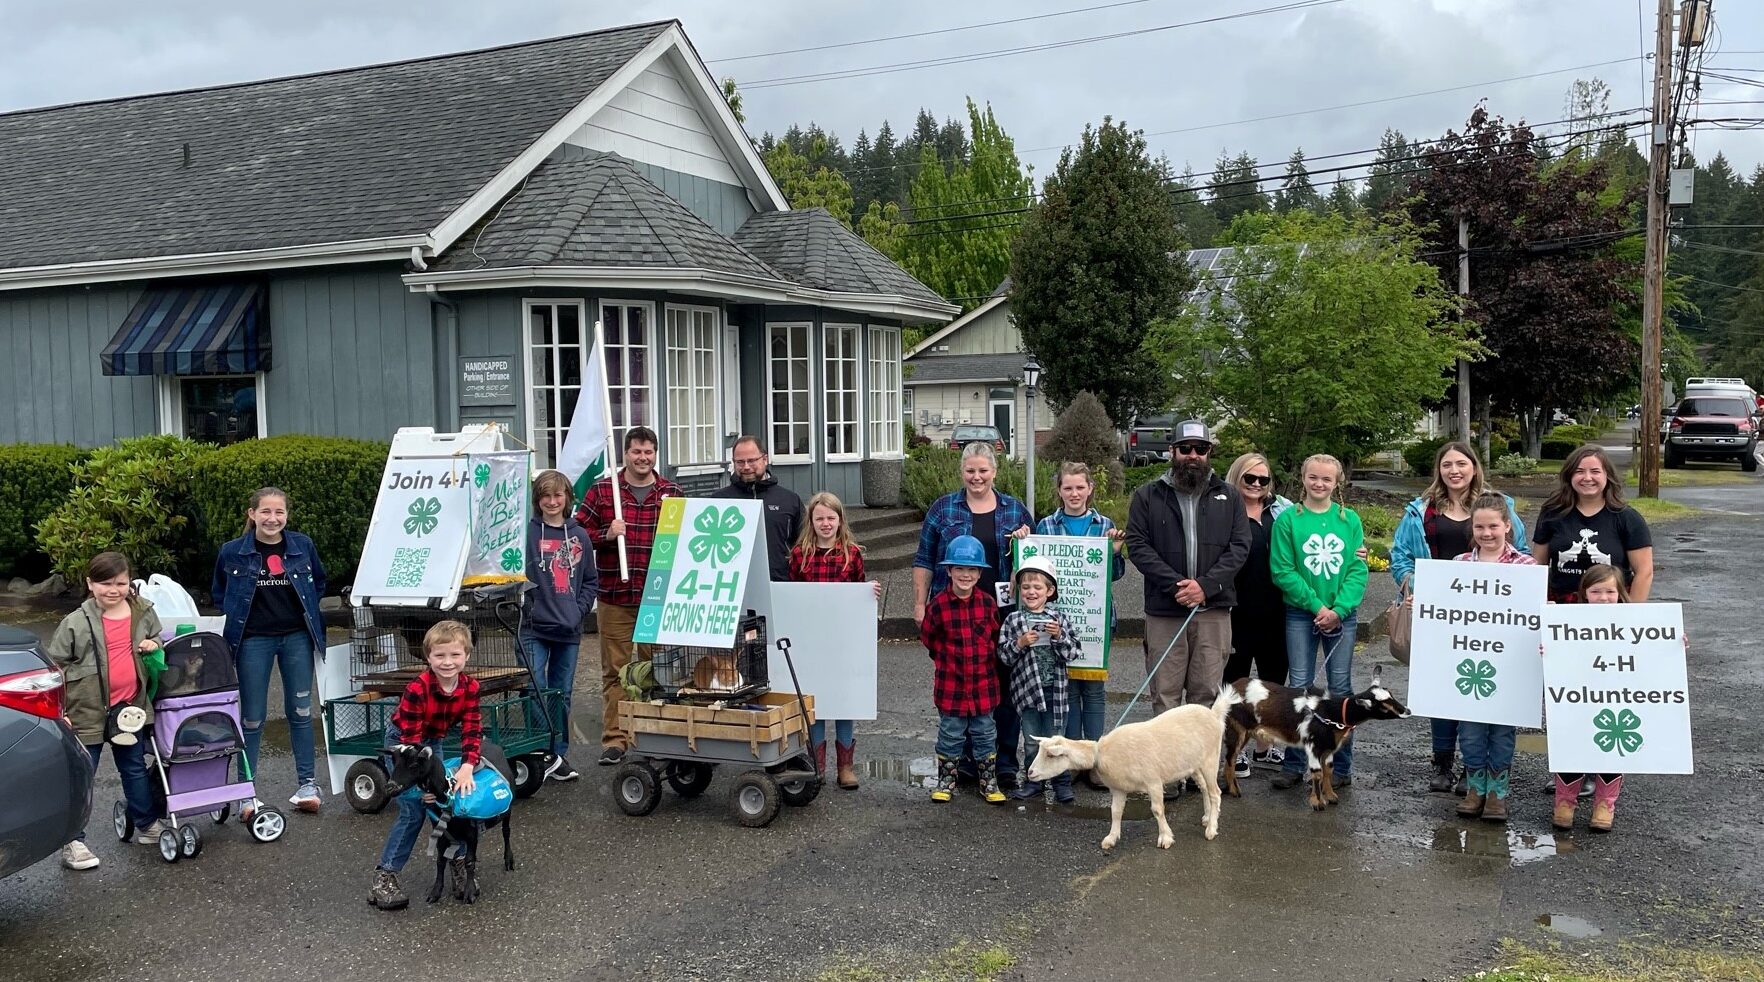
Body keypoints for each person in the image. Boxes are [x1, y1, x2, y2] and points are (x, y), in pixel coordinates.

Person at [1390, 442, 1529, 794]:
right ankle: (1442, 763)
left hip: (1490, 617)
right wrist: (1420, 589)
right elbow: (1402, 556)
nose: (1454, 470)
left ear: (1473, 467)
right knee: (1442, 689)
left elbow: (1522, 554)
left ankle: (1475, 768)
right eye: (1447, 464)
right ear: (1439, 469)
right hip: (1440, 615)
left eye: (1461, 463)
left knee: (1480, 689)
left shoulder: (1500, 506)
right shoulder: (1420, 511)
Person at [911, 441, 1033, 786]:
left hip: (1004, 613)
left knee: (1005, 689)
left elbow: (1036, 559)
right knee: (962, 684)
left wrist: (1025, 541)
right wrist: (920, 603)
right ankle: (964, 762)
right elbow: (923, 559)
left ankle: (1004, 763)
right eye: (970, 470)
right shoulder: (943, 508)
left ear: (994, 471)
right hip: (954, 613)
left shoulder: (1015, 510)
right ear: (962, 472)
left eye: (983, 470)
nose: (976, 477)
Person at [1124, 420, 1252, 719]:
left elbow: (1240, 547)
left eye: (1200, 449)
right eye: (1185, 448)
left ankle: (1197, 766)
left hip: (1213, 612)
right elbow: (1138, 545)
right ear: (1172, 452)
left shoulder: (1229, 496)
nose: (1193, 455)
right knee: (1165, 695)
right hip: (1165, 612)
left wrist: (1205, 587)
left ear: (1209, 452)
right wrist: (1178, 586)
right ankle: (1167, 766)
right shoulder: (1148, 495)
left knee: (1205, 697)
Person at [213, 487, 328, 815]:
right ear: (252, 514)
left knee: (301, 713)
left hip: (296, 638)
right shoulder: (232, 552)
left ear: (286, 515)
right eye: (265, 512)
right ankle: (246, 792)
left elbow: (318, 583)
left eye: (279, 512)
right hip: (253, 640)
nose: (272, 518)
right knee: (251, 718)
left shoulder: (302, 545)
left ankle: (307, 783)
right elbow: (220, 593)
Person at [47, 551, 164, 869]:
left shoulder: (143, 611)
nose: (113, 590)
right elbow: (54, 668)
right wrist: (60, 709)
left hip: (130, 709)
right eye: (105, 583)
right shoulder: (75, 623)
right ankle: (72, 841)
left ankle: (147, 825)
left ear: (130, 582)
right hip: (86, 711)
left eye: (120, 583)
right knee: (83, 774)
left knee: (135, 768)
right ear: (89, 583)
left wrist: (154, 644)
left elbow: (157, 638)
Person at [575, 426, 682, 766]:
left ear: (655, 454)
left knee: (659, 669)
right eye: (636, 451)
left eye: (648, 452)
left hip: (656, 596)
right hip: (614, 595)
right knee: (616, 670)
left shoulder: (671, 492)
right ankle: (616, 739)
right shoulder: (604, 491)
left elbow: (685, 540)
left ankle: (655, 736)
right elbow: (578, 534)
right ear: (625, 454)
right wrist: (606, 534)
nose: (642, 458)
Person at [367, 620, 483, 912]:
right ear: (428, 657)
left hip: (433, 743)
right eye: (440, 656)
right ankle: (385, 877)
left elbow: (472, 730)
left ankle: (458, 863)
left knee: (447, 804)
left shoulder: (470, 688)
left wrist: (468, 765)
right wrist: (422, 787)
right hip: (404, 747)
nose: (447, 662)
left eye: (455, 655)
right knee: (414, 809)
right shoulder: (417, 689)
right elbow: (411, 748)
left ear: (466, 656)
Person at [1269, 454, 1369, 792]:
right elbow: (1283, 570)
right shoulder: (1288, 521)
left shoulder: (1349, 520)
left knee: (1340, 689)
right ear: (1303, 477)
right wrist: (1316, 606)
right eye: (1313, 477)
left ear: (1337, 481)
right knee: (1300, 687)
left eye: (1326, 479)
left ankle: (1340, 765)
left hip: (1342, 615)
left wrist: (1338, 609)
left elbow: (1358, 570)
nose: (1319, 484)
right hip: (1301, 613)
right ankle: (1295, 762)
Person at [1033, 462, 1125, 789]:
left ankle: (1097, 764)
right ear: (1059, 490)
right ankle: (1072, 761)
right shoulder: (1044, 525)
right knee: (1067, 692)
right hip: (1059, 621)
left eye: (1080, 488)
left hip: (1095, 621)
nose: (1074, 493)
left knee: (1095, 692)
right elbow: (1035, 568)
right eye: (1068, 488)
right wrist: (1021, 542)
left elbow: (1114, 576)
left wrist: (1114, 552)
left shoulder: (1105, 525)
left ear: (1090, 489)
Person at [1450, 493, 1538, 823]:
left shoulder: (1527, 567)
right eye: (1480, 527)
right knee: (1471, 732)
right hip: (1470, 666)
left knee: (1502, 732)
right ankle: (1476, 788)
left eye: (1493, 526)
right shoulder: (1459, 566)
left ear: (1507, 526)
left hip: (1509, 668)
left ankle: (1498, 794)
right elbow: (1445, 614)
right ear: (1472, 528)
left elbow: (1532, 614)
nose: (1487, 533)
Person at [788, 491, 883, 790]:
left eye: (831, 518)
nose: (826, 524)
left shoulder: (851, 553)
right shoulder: (799, 554)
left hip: (842, 639)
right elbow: (792, 593)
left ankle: (845, 767)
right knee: (815, 703)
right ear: (811, 521)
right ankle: (817, 765)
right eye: (820, 518)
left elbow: (856, 590)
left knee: (843, 701)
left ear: (840, 520)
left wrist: (869, 592)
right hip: (811, 639)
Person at [522, 469, 598, 783]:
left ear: (567, 498)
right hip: (532, 627)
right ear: (537, 499)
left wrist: (577, 612)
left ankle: (557, 751)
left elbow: (591, 581)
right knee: (534, 689)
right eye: (546, 496)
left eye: (558, 495)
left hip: (568, 629)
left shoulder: (579, 535)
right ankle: (541, 752)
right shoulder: (525, 533)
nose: (552, 502)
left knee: (561, 694)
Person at [1221, 452, 1293, 779]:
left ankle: (1266, 744)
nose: (1256, 485)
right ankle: (1234, 748)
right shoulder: (1222, 510)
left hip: (1276, 612)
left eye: (1263, 479)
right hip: (1235, 611)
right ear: (1237, 477)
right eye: (1249, 478)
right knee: (1234, 686)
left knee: (1272, 684)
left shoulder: (1284, 512)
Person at [920, 535, 1006, 804]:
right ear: (948, 571)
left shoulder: (988, 603)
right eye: (959, 569)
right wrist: (947, 660)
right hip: (951, 687)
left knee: (985, 734)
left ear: (980, 573)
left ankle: (988, 782)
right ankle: (946, 781)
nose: (965, 575)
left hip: (983, 687)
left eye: (971, 570)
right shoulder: (937, 606)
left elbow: (995, 638)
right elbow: (929, 640)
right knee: (950, 735)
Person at [1551, 564, 1636, 833]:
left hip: (1616, 696)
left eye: (1610, 591)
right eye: (1596, 591)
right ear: (1584, 593)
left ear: (1620, 593)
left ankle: (1605, 804)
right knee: (1572, 742)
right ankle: (1564, 802)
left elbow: (1654, 650)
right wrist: (1548, 647)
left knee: (1611, 746)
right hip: (1576, 696)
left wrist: (1675, 642)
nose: (1603, 597)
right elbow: (1555, 652)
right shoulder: (1568, 622)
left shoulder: (1636, 623)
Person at [997, 557, 1084, 803]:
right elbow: (1003, 656)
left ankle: (1062, 783)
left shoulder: (1059, 620)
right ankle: (1034, 781)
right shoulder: (1013, 620)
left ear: (1050, 591)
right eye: (1026, 587)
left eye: (1037, 587)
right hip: (1027, 693)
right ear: (1019, 590)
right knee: (1033, 740)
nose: (1031, 592)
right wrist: (1020, 643)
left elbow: (1072, 653)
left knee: (1056, 740)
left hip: (1056, 692)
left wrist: (1059, 636)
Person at [1531, 445, 1653, 603]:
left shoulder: (1628, 518)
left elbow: (1644, 572)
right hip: (1561, 607)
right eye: (1579, 471)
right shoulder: (1551, 513)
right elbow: (1538, 566)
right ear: (1569, 476)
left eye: (1595, 471)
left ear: (1607, 475)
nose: (1587, 478)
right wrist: (1538, 604)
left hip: (1610, 605)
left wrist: (1630, 615)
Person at [710, 435, 803, 582]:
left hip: (778, 583)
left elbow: (803, 546)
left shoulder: (789, 500)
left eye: (752, 460)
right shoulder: (717, 501)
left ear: (764, 459)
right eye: (740, 462)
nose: (746, 467)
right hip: (731, 586)